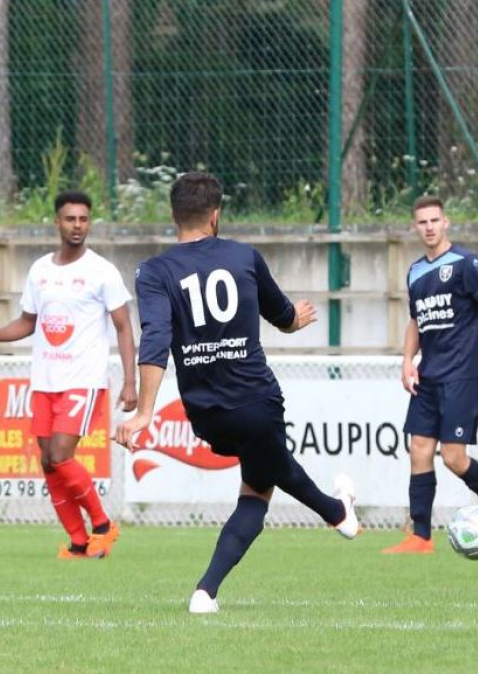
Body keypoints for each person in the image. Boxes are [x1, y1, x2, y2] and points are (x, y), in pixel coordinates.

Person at [113, 172, 359, 613]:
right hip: (257, 401)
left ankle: (208, 591)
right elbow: (283, 316)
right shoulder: (244, 257)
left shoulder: (153, 272)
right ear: (216, 215)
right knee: (265, 482)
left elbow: (156, 337)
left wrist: (145, 412)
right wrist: (297, 319)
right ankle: (336, 514)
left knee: (259, 482)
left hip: (206, 415)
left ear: (173, 215)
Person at [0, 191, 136, 560]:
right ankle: (78, 543)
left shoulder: (102, 271)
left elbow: (124, 327)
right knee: (48, 461)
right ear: (57, 222)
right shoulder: (40, 270)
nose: (77, 226)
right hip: (45, 381)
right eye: (70, 219)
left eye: (83, 219)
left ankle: (102, 526)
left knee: (62, 455)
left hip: (82, 380)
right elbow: (28, 321)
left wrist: (130, 382)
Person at [383, 195, 478, 555]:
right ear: (415, 227)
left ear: (445, 222)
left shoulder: (466, 264)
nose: (429, 227)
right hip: (429, 375)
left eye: (434, 220)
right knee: (419, 449)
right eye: (422, 222)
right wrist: (407, 360)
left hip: (462, 373)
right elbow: (416, 321)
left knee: (453, 458)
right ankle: (421, 536)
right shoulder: (415, 272)